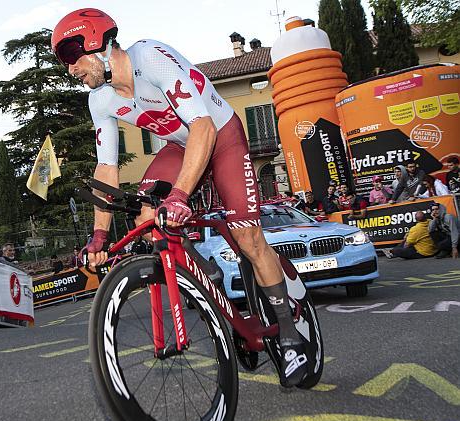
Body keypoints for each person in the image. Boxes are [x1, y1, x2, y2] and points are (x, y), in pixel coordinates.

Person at [52, 8, 307, 385]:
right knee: (144, 215)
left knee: (249, 239)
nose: (70, 69)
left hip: (220, 137)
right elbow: (105, 171)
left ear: (97, 42)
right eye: (65, 63)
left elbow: (202, 125)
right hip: (180, 147)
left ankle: (289, 335)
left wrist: (181, 195)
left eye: (73, 57)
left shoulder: (150, 57)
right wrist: (99, 237)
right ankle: (208, 276)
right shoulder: (100, 101)